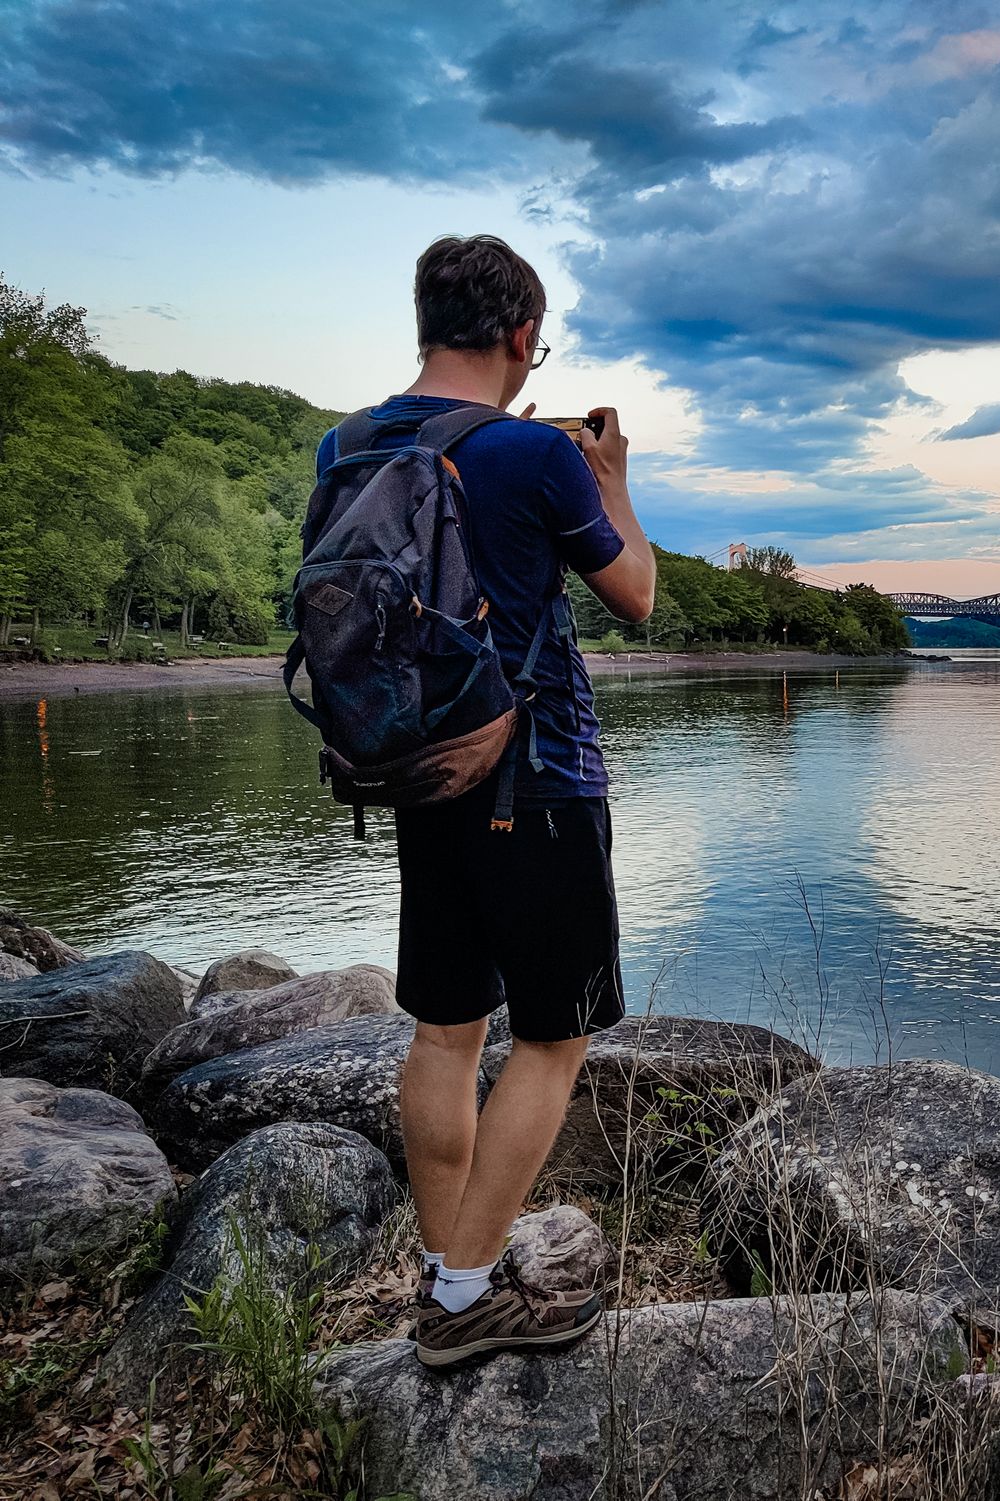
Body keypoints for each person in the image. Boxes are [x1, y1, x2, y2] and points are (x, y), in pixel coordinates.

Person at [313, 234, 656, 1367]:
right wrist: (613, 481)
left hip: (420, 772)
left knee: (448, 1028)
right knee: (556, 1041)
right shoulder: (531, 455)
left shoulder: (346, 445)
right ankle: (462, 1300)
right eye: (535, 343)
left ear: (425, 321)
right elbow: (638, 596)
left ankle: (444, 1262)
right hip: (538, 778)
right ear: (520, 337)